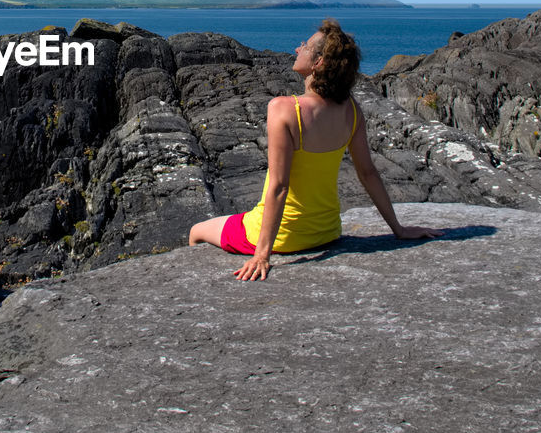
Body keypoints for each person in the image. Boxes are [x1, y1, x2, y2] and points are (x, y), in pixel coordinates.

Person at [188, 19, 442, 280]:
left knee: (197, 230)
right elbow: (368, 173)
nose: (297, 49)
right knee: (238, 217)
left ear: (318, 62)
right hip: (327, 232)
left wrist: (262, 255)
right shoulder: (352, 111)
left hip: (281, 238)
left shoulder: (284, 109)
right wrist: (398, 229)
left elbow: (279, 186)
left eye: (305, 47)